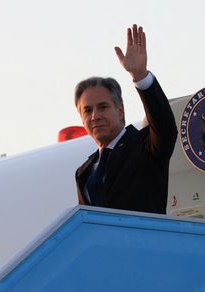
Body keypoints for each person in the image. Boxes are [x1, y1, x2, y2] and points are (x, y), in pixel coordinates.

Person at [74, 24, 176, 214]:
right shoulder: (84, 172)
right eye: (87, 110)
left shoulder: (144, 147)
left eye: (103, 107)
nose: (95, 116)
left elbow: (165, 127)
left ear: (120, 111)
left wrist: (140, 76)